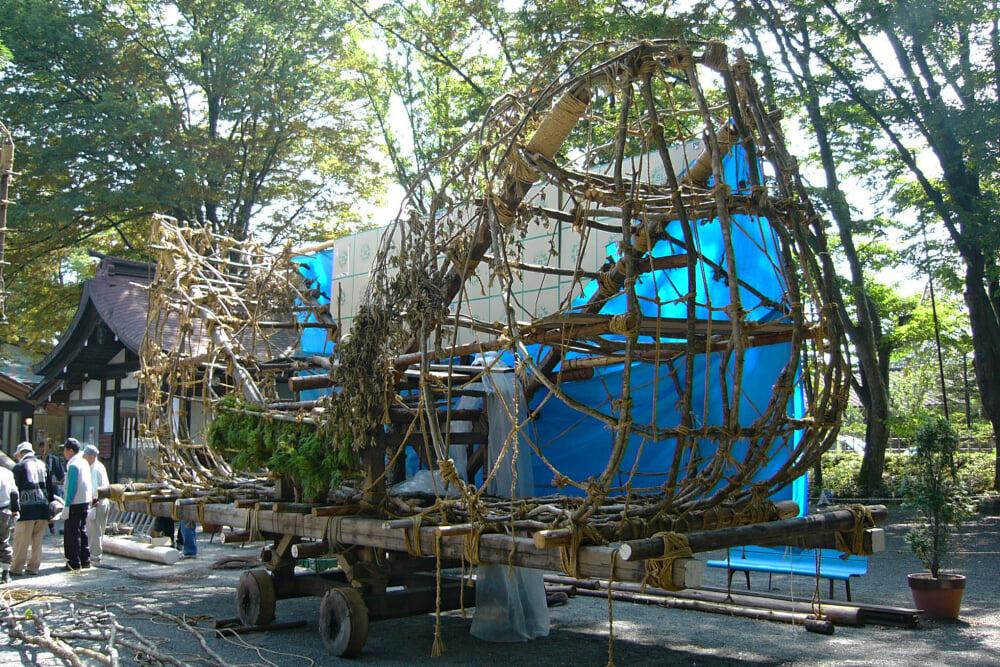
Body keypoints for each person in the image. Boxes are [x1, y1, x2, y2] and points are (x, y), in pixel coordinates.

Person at [10, 442, 53, 577]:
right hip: (43, 508)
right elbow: (50, 488)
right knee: (37, 542)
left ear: (22, 453)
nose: (17, 458)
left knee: (21, 541)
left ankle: (16, 568)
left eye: (17, 455)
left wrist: (13, 509)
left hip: (26, 509)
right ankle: (33, 567)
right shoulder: (43, 465)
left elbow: (14, 490)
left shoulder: (19, 467)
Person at [61, 438, 92, 571]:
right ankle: (85, 559)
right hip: (85, 501)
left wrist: (67, 506)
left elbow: (71, 487)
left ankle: (73, 562)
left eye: (65, 449)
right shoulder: (84, 462)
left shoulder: (73, 464)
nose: (63, 452)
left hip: (75, 502)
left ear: (71, 451)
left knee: (72, 534)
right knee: (82, 531)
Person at [82, 445, 110, 563]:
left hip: (97, 502)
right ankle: (96, 554)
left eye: (85, 456)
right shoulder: (99, 466)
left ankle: (95, 556)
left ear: (91, 456)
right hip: (103, 502)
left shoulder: (94, 469)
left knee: (94, 531)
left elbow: (95, 489)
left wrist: (92, 503)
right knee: (99, 530)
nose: (84, 457)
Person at [0, 454, 19, 584]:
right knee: (4, 541)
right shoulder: (8, 473)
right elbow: (14, 493)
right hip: (5, 511)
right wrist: (16, 510)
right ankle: (6, 574)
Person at [40, 439, 65, 535]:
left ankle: (51, 526)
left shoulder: (54, 460)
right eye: (42, 448)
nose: (44, 450)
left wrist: (58, 484)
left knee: (51, 507)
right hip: (41, 489)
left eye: (46, 448)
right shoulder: (37, 459)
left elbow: (61, 476)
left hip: (51, 488)